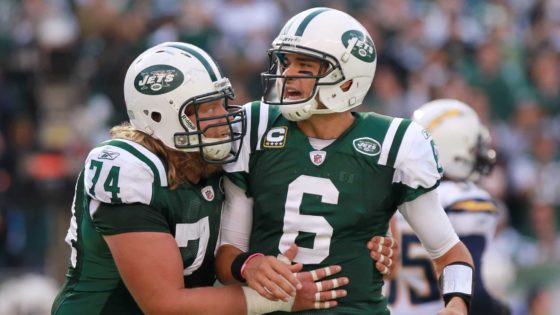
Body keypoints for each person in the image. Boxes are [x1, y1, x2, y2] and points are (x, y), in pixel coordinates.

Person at [51, 42, 349, 315]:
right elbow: (164, 303)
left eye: (221, 103)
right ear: (159, 115)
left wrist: (376, 234)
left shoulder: (211, 159)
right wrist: (275, 300)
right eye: (207, 108)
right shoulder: (130, 169)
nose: (222, 118)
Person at [216, 7, 474, 315]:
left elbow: (449, 252)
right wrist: (250, 265)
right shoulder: (255, 125)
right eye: (286, 62)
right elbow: (227, 254)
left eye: (304, 65)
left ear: (347, 81)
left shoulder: (395, 143)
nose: (286, 74)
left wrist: (456, 305)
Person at [386, 99, 511, 315]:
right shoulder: (463, 198)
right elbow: (474, 292)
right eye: (474, 147)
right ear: (455, 150)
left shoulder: (391, 195)